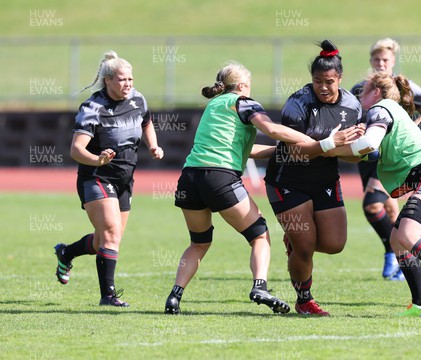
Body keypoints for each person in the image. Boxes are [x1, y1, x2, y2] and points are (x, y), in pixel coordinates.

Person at [163, 62, 321, 315]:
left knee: (199, 243)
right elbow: (272, 129)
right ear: (242, 86)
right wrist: (315, 143)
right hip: (220, 178)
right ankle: (260, 287)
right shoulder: (244, 102)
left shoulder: (213, 106)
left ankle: (174, 297)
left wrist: (285, 151)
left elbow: (247, 151)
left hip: (189, 178)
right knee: (260, 235)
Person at [327, 72, 421, 317]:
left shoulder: (380, 109)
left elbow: (369, 145)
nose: (358, 97)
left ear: (375, 93)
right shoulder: (383, 113)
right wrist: (327, 148)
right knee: (397, 240)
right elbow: (359, 153)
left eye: (362, 91)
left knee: (407, 234)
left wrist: (329, 147)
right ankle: (419, 304)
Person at [54, 51, 164, 307]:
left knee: (106, 239)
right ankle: (108, 296)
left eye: (131, 79)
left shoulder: (137, 99)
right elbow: (76, 150)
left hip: (124, 178)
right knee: (111, 235)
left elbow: (146, 122)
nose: (128, 84)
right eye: (122, 79)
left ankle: (66, 252)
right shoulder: (93, 108)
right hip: (96, 176)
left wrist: (153, 146)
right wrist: (97, 160)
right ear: (108, 81)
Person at [263, 40, 364, 316]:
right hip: (287, 179)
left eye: (329, 81)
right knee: (305, 246)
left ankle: (293, 242)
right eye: (318, 81)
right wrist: (331, 144)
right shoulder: (298, 103)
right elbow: (295, 152)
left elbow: (351, 156)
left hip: (324, 181)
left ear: (340, 79)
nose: (323, 87)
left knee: (334, 244)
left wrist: (361, 149)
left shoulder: (353, 106)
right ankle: (304, 299)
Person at [350, 38, 421, 281]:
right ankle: (403, 259)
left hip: (392, 153)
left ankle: (390, 252)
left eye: (385, 59)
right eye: (376, 59)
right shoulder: (360, 87)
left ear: (393, 61)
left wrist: (412, 128)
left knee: (372, 205)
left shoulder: (407, 86)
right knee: (390, 209)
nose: (381, 63)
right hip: (369, 153)